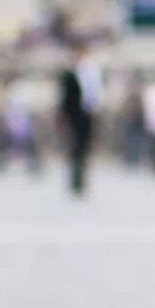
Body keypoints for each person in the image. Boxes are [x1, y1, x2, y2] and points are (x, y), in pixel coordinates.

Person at [57, 47, 102, 197]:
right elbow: (65, 99)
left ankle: (82, 180)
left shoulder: (91, 74)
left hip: (86, 115)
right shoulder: (69, 76)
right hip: (74, 116)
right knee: (75, 148)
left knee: (84, 147)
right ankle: (75, 180)